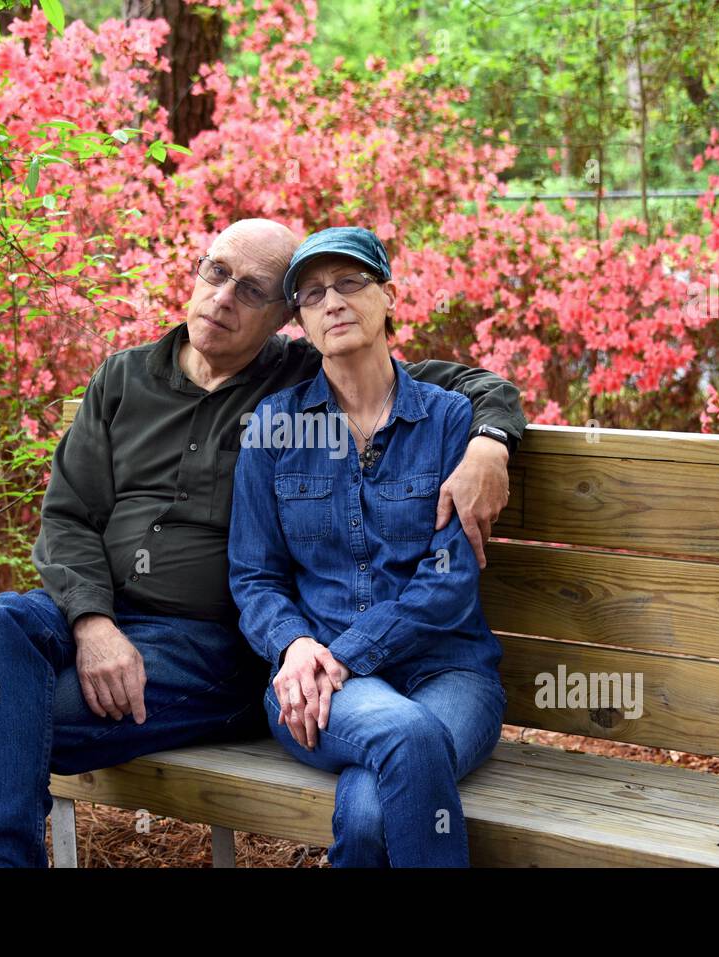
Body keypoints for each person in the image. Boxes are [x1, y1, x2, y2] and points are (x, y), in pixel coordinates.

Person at [0, 219, 525, 866]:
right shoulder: (124, 378)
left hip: (211, 648)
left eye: (251, 290)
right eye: (215, 272)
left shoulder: (303, 378)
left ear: (281, 317)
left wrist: (490, 442)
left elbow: (463, 386)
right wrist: (92, 620)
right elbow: (69, 516)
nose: (222, 298)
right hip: (104, 619)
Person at [228, 226, 508, 867]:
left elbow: (447, 578)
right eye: (313, 292)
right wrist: (297, 648)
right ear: (297, 318)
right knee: (402, 736)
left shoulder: (447, 421)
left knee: (369, 813)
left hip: (447, 671)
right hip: (310, 678)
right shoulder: (275, 427)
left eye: (351, 283)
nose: (333, 301)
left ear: (389, 296)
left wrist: (348, 656)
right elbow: (254, 575)